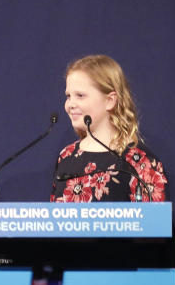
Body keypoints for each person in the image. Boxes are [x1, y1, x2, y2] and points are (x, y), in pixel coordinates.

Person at [51, 54, 168, 202]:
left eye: (80, 95)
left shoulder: (138, 161)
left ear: (110, 101)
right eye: (68, 96)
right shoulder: (66, 156)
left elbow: (154, 223)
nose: (71, 104)